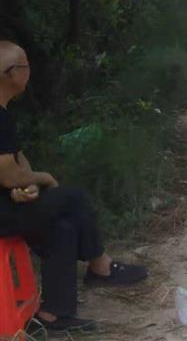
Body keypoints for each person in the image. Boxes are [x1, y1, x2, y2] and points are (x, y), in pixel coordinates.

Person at [0, 41, 149, 333]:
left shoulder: (4, 113)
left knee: (63, 227)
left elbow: (16, 164)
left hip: (7, 203)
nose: (30, 71)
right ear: (11, 73)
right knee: (73, 198)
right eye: (26, 65)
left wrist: (26, 185)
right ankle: (100, 266)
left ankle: (53, 315)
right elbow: (7, 175)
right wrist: (44, 179)